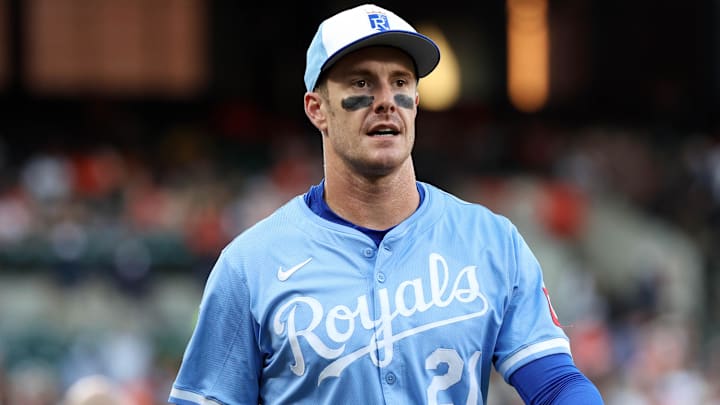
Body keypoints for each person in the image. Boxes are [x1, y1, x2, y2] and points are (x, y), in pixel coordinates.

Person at [168, 4, 604, 404]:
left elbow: (555, 384)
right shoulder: (250, 264)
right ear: (317, 108)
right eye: (361, 82)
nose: (384, 101)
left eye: (400, 82)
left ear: (415, 102)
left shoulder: (491, 241)